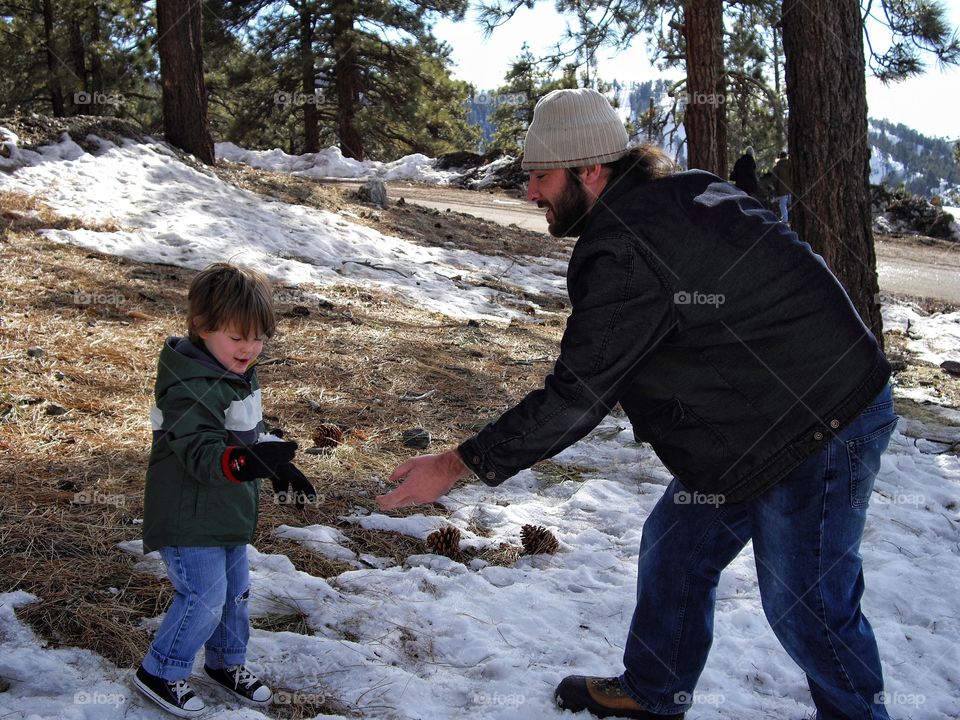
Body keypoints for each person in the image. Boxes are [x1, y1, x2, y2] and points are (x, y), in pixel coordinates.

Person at [377, 88, 896, 720]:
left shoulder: (628, 245)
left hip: (824, 421)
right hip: (757, 425)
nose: (530, 194)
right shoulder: (671, 199)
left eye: (541, 177)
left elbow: (579, 394)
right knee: (676, 548)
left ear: (591, 171)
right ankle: (654, 692)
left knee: (806, 602)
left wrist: (456, 464)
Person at [133, 263, 316, 717]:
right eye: (238, 338)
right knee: (203, 596)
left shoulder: (236, 372)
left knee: (235, 592)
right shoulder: (186, 387)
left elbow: (248, 431)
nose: (250, 349)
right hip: (187, 513)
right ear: (202, 327)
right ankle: (160, 669)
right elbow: (198, 449)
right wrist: (244, 462)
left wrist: (276, 463)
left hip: (226, 509)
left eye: (258, 338)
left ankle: (225, 663)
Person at [772, 150, 794, 223]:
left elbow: (774, 180)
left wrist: (775, 189)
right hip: (791, 189)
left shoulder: (776, 168)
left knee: (783, 206)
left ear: (779, 157)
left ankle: (785, 222)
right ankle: (792, 220)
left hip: (782, 190)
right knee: (791, 205)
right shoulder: (791, 165)